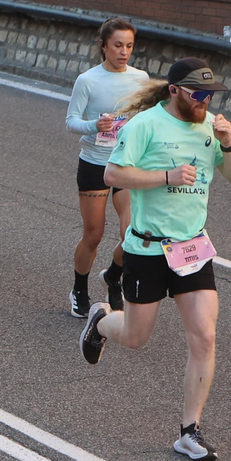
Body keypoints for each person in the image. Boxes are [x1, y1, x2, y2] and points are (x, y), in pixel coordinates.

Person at [80, 58, 231, 461]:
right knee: (136, 338)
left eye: (211, 94)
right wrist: (166, 177)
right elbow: (113, 175)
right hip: (148, 248)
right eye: (199, 94)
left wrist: (228, 143)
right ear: (174, 91)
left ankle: (189, 431)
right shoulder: (145, 125)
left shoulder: (210, 127)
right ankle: (101, 319)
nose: (206, 101)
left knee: (204, 336)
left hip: (192, 249)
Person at [65, 19, 146, 317]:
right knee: (94, 234)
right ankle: (79, 289)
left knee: (133, 234)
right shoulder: (88, 80)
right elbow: (70, 120)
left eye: (129, 46)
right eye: (117, 45)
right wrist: (93, 125)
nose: (124, 52)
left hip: (127, 163)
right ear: (103, 46)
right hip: (95, 163)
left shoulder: (140, 78)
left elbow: (146, 117)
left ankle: (113, 277)